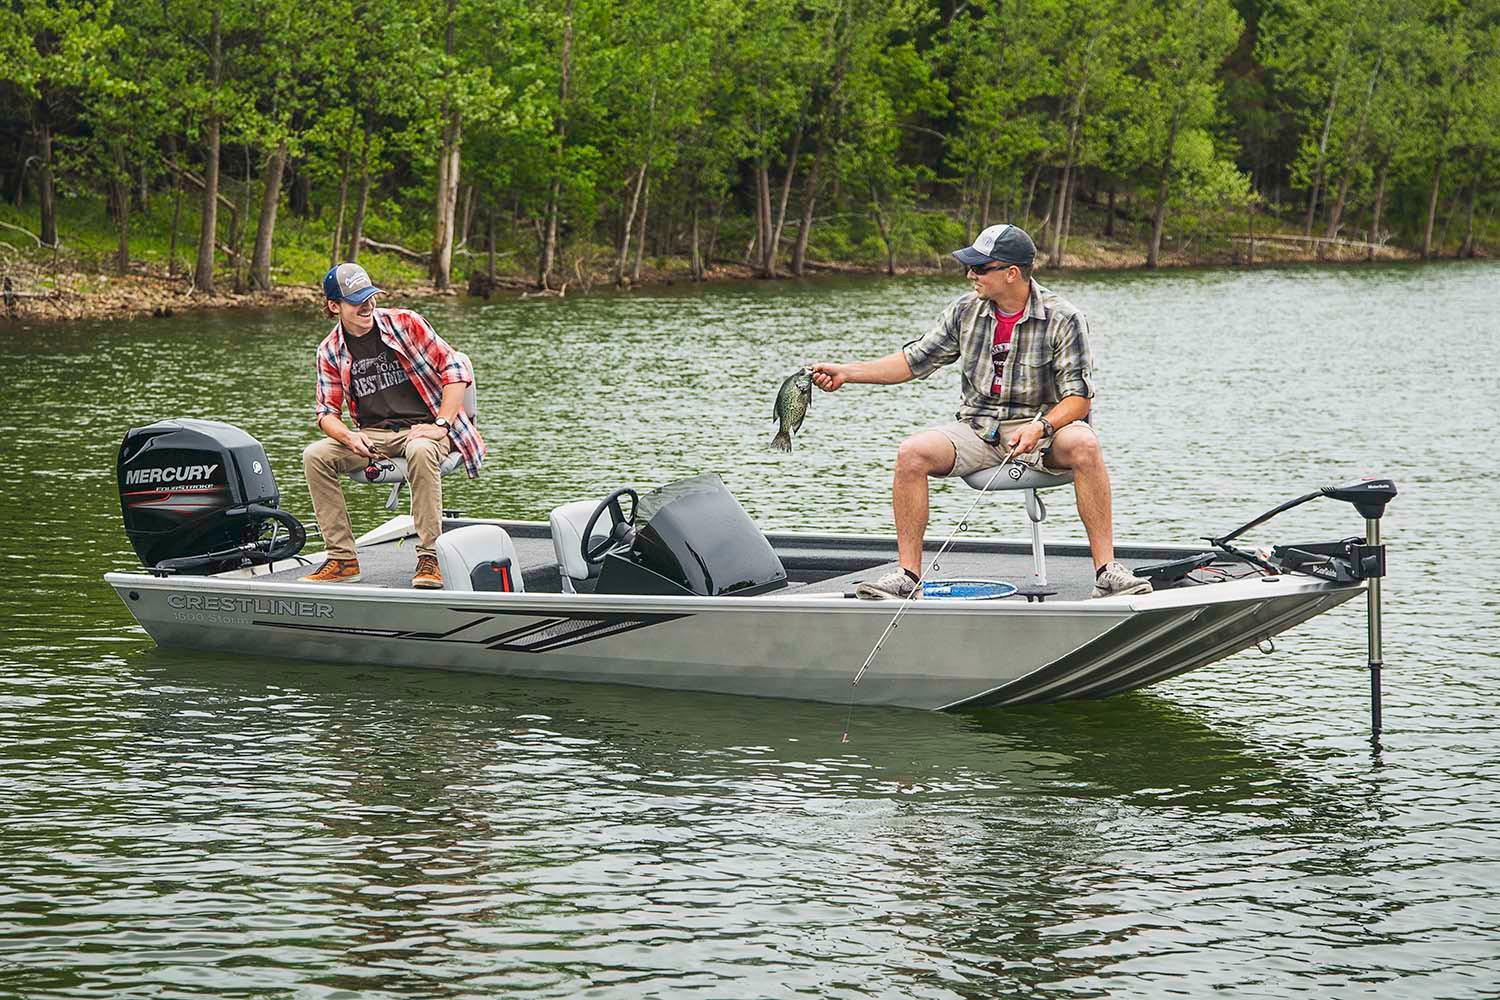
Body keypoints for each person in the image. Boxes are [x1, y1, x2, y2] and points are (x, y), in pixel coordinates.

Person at [811, 223, 1150, 600]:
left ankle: (1107, 572)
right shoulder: (964, 310)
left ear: (1011, 273)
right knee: (912, 453)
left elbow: (1078, 399)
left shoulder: (1064, 318)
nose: (970, 274)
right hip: (978, 429)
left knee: (1085, 443)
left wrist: (1040, 426)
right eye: (970, 267)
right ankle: (908, 576)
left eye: (980, 268)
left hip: (1047, 430)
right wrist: (847, 373)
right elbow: (912, 362)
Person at [299, 263, 485, 588]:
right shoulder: (329, 351)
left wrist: (441, 424)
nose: (367, 305)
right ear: (334, 306)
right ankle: (342, 560)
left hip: (423, 428)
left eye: (370, 296)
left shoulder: (405, 323)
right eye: (357, 300)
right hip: (372, 435)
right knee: (315, 456)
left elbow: (455, 369)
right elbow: (326, 413)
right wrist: (349, 437)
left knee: (421, 448)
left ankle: (430, 558)